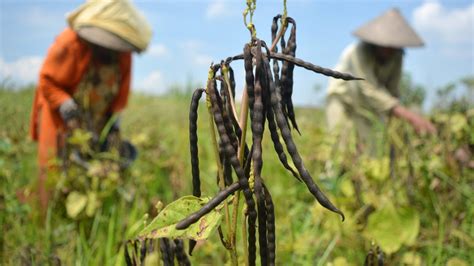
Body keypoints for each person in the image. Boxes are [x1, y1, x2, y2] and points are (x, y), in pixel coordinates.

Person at [29, 0, 152, 212]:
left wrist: (114, 123)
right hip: (58, 116)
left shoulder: (123, 53)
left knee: (90, 167)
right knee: (52, 171)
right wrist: (66, 107)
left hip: (97, 117)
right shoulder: (69, 42)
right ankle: (45, 221)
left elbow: (121, 94)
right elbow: (47, 81)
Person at [326, 8, 435, 152]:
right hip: (342, 98)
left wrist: (397, 120)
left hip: (365, 107)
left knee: (367, 149)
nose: (389, 50)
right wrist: (409, 116)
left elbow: (392, 90)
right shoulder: (359, 52)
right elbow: (368, 88)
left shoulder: (397, 56)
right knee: (339, 145)